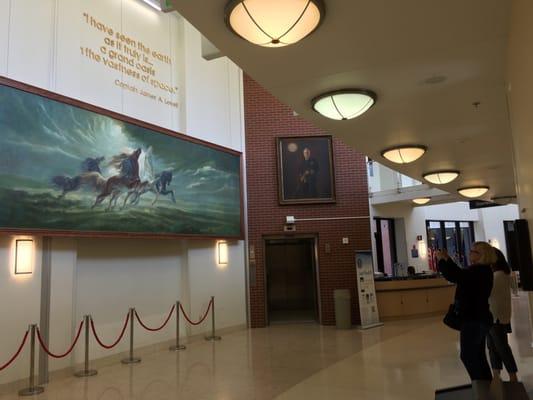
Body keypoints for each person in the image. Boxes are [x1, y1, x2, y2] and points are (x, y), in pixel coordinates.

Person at [436, 242, 496, 396]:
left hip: (473, 320)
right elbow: (460, 276)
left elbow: (455, 275)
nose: (469, 253)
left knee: (469, 355)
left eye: (473, 251)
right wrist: (447, 261)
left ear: (480, 255)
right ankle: (485, 389)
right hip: (479, 318)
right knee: (478, 355)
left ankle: (481, 389)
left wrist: (444, 260)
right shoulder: (483, 271)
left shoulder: (478, 271)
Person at [487, 248, 518, 382]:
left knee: (499, 346)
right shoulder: (505, 273)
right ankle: (497, 373)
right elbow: (514, 289)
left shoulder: (496, 276)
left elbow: (487, 293)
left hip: (494, 315)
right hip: (497, 314)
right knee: (494, 345)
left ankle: (510, 374)